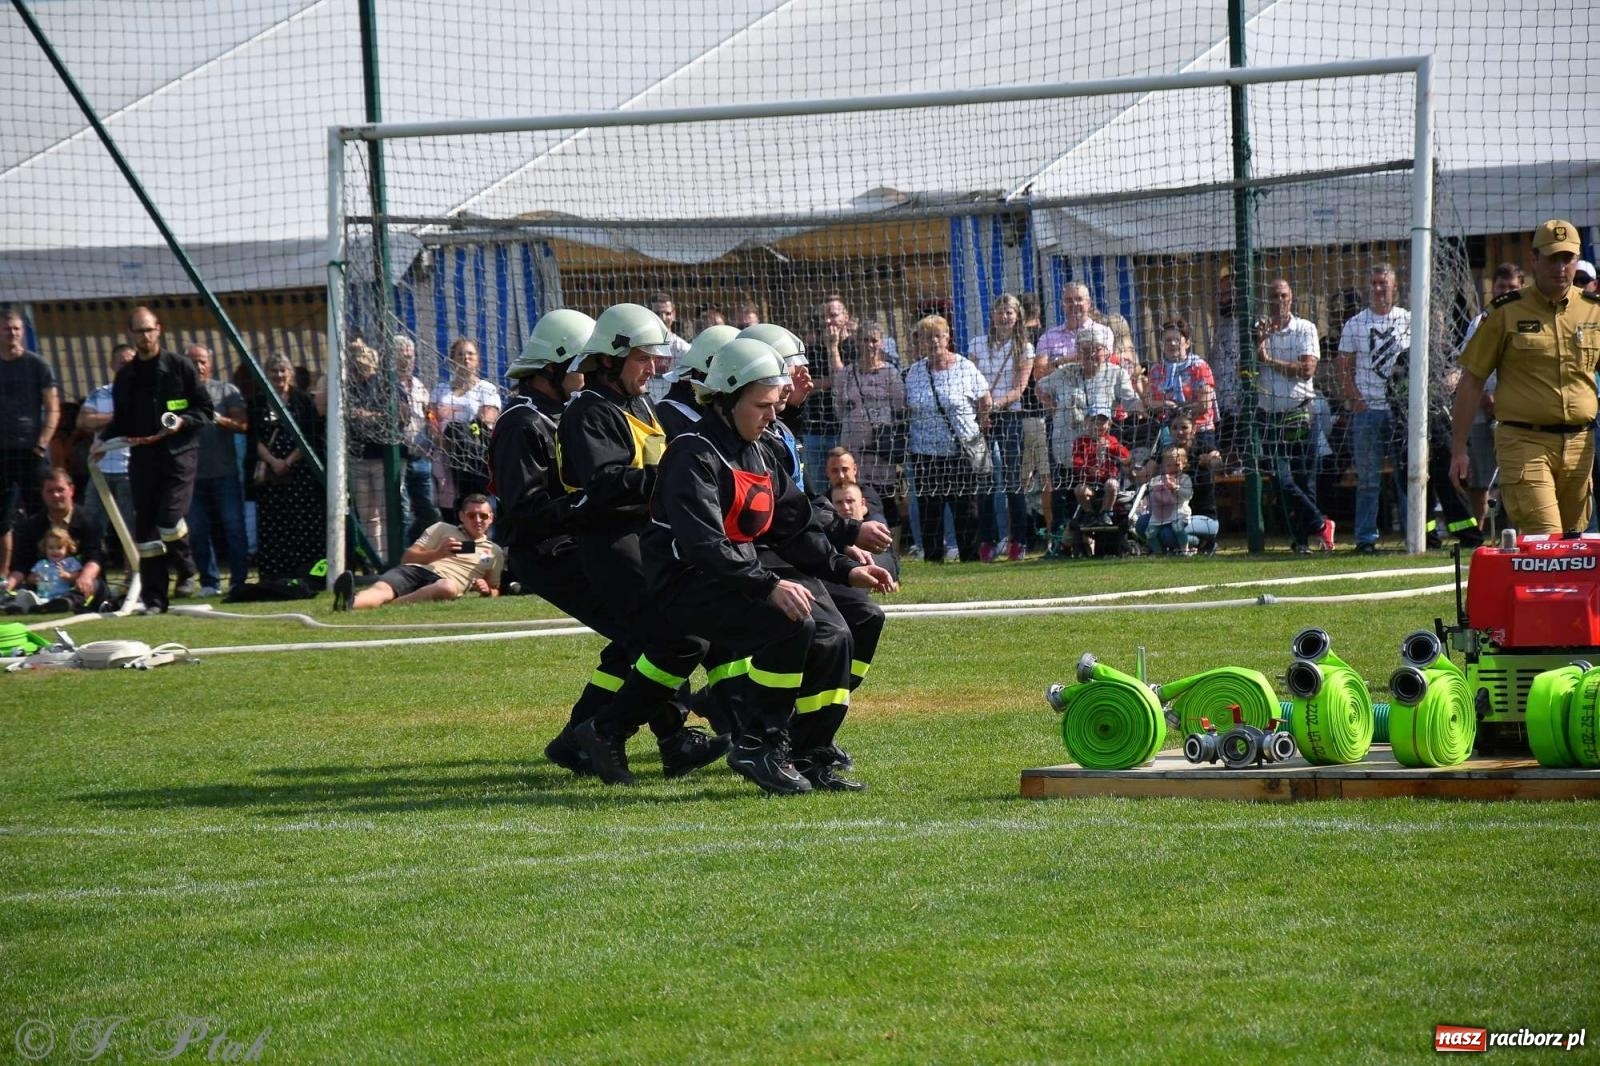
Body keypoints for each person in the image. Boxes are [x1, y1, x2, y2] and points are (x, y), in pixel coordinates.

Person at [584, 337, 893, 792]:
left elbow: (793, 526)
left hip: (734, 575)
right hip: (686, 583)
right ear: (727, 400)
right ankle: (758, 744)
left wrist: (844, 568)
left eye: (774, 404)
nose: (772, 415)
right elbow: (703, 544)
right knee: (792, 624)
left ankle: (811, 752)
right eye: (762, 405)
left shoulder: (760, 449)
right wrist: (768, 585)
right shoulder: (692, 453)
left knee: (836, 634)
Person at [559, 302, 728, 783]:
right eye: (642, 358)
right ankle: (618, 734)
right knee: (672, 641)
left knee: (657, 642)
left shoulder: (636, 404)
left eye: (654, 359)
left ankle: (587, 740)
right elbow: (606, 483)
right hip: (611, 545)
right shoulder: (589, 411)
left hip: (645, 540)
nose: (652, 369)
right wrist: (673, 478)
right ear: (608, 359)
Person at [484, 308, 644, 775]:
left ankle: (577, 739)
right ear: (552, 366)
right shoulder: (522, 423)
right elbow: (526, 511)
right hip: (547, 552)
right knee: (645, 632)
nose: (588, 373)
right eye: (580, 364)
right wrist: (589, 503)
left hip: (577, 541)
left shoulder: (569, 411)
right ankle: (665, 735)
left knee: (639, 633)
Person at [1451, 220, 1600, 536]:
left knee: (1574, 541)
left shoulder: (1593, 311)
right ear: (1534, 260)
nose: (1560, 267)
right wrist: (1459, 449)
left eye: (1567, 258)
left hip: (1580, 444)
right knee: (1547, 538)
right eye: (1552, 258)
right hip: (1525, 442)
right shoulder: (1505, 312)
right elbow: (1472, 380)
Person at [106, 306, 213, 612]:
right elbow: (121, 422)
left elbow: (205, 410)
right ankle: (155, 599)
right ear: (130, 333)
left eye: (149, 329)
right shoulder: (126, 376)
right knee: (147, 532)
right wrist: (101, 442)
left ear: (159, 329)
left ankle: (186, 567)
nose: (145, 336)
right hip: (143, 459)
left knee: (169, 517)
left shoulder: (180, 367)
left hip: (179, 455)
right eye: (139, 331)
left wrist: (182, 421)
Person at [902, 315, 990, 563]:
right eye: (927, 337)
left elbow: (985, 400)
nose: (933, 342)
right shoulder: (914, 372)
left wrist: (977, 425)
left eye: (937, 336)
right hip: (925, 452)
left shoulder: (965, 367)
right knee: (930, 509)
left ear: (947, 337)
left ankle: (970, 557)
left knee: (966, 508)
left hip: (960, 451)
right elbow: (907, 406)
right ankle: (933, 558)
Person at [1337, 264, 1411, 553]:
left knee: (1406, 477)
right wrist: (1355, 399)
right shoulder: (1355, 323)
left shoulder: (1408, 319)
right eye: (1374, 283)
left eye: (1383, 283)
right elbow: (1343, 367)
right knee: (1368, 480)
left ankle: (1413, 535)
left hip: (1400, 412)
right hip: (1367, 411)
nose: (1378, 288)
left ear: (1394, 287)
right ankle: (1366, 538)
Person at [1255, 279, 1333, 553]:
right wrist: (1258, 344)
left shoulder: (1305, 328)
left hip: (1301, 413)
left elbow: (1306, 370)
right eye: (1274, 296)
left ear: (1291, 297)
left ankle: (1302, 541)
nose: (1279, 301)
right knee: (1280, 479)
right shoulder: (1259, 330)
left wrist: (1268, 360)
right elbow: (1247, 365)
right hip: (1269, 416)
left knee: (1304, 480)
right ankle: (1321, 524)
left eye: (1283, 296)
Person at [337, 493, 504, 609]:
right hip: (415, 571)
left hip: (444, 583)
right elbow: (407, 558)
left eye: (483, 516)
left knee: (447, 587)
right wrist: (438, 553)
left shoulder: (493, 551)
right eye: (471, 515)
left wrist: (487, 590)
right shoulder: (441, 528)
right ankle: (348, 603)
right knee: (381, 591)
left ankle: (391, 605)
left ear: (491, 518)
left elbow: (495, 588)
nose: (477, 520)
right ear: (461, 516)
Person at [968, 293, 1036, 561]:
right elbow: (971, 379)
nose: (1004, 317)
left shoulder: (1024, 348)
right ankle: (987, 539)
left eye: (1009, 312)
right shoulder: (977, 344)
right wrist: (983, 410)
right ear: (993, 315)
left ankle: (1018, 540)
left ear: (1017, 316)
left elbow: (1020, 388)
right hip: (982, 416)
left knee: (1012, 480)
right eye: (1000, 311)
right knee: (984, 478)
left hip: (1009, 415)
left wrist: (994, 405)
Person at [247, 353, 323, 585]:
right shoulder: (257, 402)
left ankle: (307, 574)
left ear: (290, 373)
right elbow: (254, 438)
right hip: (270, 478)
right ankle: (276, 575)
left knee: (303, 525)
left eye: (283, 370)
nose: (279, 375)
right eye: (274, 370)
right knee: (274, 526)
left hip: (300, 475)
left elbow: (311, 435)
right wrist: (273, 461)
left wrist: (288, 461)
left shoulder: (303, 400)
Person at [1459, 264, 1525, 528]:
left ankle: (1514, 529)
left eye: (1512, 287)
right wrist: (1484, 396)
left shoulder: (1527, 321)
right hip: (1480, 408)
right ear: (1492, 289)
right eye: (1501, 287)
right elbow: (1468, 368)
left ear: (1521, 287)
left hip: (1514, 410)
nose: (1505, 292)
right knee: (1480, 477)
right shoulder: (1479, 322)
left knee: (1515, 474)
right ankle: (1480, 528)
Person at [184, 343, 249, 596]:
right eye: (193, 362)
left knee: (234, 528)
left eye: (202, 361)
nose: (198, 366)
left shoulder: (226, 390)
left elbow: (242, 424)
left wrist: (217, 418)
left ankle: (239, 581)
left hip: (225, 473)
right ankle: (210, 582)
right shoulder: (176, 392)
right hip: (191, 475)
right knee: (197, 531)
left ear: (210, 364)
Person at [0, 309, 60, 585]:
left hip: (30, 452)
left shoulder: (37, 365)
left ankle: (47, 572)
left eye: (16, 328)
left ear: (22, 331)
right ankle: (4, 576)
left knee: (41, 514)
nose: (11, 333)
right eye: (6, 329)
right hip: (2, 453)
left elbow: (53, 408)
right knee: (2, 519)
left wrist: (42, 444)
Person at [832, 320, 905, 535]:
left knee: (887, 500)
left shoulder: (891, 373)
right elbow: (838, 408)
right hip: (853, 446)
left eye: (874, 340)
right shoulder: (846, 374)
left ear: (881, 342)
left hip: (881, 447)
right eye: (865, 340)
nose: (870, 345)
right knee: (856, 496)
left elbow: (900, 408)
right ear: (857, 342)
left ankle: (890, 546)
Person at [3, 467, 105, 613]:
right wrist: (10, 584)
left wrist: (85, 577)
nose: (56, 495)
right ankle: (25, 603)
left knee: (93, 584)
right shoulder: (32, 525)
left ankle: (66, 602)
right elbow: (22, 564)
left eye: (60, 490)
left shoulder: (89, 521)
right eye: (50, 491)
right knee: (21, 589)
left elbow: (95, 557)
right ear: (43, 494)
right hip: (43, 585)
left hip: (79, 582)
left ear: (71, 490)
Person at [76, 343, 136, 570]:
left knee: (131, 528)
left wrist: (102, 420)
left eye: (131, 363)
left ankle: (134, 575)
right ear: (112, 365)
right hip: (100, 471)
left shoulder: (144, 394)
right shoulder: (99, 393)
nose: (126, 367)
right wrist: (117, 418)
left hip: (131, 470)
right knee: (91, 526)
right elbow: (83, 421)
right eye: (121, 363)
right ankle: (94, 575)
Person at [430, 338, 500, 519]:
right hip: (443, 457)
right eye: (460, 354)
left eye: (470, 354)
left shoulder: (486, 389)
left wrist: (459, 438)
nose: (465, 358)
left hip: (474, 459)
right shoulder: (440, 389)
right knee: (449, 509)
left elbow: (486, 421)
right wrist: (444, 442)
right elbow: (432, 419)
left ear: (478, 360)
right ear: (452, 360)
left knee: (476, 508)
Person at [1142, 318, 1218, 454]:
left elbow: (1205, 404)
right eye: (1167, 340)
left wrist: (1179, 409)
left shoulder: (1199, 366)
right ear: (1161, 344)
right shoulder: (1156, 370)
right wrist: (1165, 404)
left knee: (1208, 460)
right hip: (1168, 431)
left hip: (1199, 430)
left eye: (1177, 340)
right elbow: (1149, 402)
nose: (1172, 344)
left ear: (1187, 343)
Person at [392, 337, 440, 542]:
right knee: (401, 511)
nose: (407, 361)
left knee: (428, 511)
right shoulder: (387, 385)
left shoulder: (420, 386)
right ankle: (402, 553)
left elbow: (430, 417)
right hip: (398, 457)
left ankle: (418, 548)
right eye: (402, 356)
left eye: (410, 356)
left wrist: (433, 435)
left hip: (421, 456)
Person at [1035, 282, 1115, 371]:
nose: (1074, 304)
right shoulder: (1048, 337)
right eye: (1068, 301)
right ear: (1062, 305)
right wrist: (1082, 356)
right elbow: (1040, 372)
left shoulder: (1103, 332)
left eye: (1079, 299)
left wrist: (1058, 362)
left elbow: (1101, 360)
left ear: (1089, 303)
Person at [1134, 446, 1195, 555]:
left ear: (1184, 464)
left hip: (1178, 513)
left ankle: (1184, 550)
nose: (1173, 468)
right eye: (1169, 465)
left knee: (1177, 528)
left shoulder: (1185, 478)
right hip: (1159, 515)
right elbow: (1150, 491)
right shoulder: (1157, 479)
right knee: (1149, 533)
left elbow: (1188, 495)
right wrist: (1156, 487)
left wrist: (1175, 488)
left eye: (1177, 465)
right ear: (1163, 466)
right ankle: (1159, 553)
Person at [832, 481, 898, 580]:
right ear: (832, 506)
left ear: (862, 503)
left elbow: (891, 564)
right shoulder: (827, 534)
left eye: (850, 501)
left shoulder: (874, 527)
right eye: (839, 502)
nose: (845, 507)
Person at [645, 291, 693, 403]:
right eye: (657, 313)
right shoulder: (640, 346)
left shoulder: (683, 349)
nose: (662, 318)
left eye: (667, 313)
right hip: (645, 402)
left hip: (671, 404)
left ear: (674, 314)